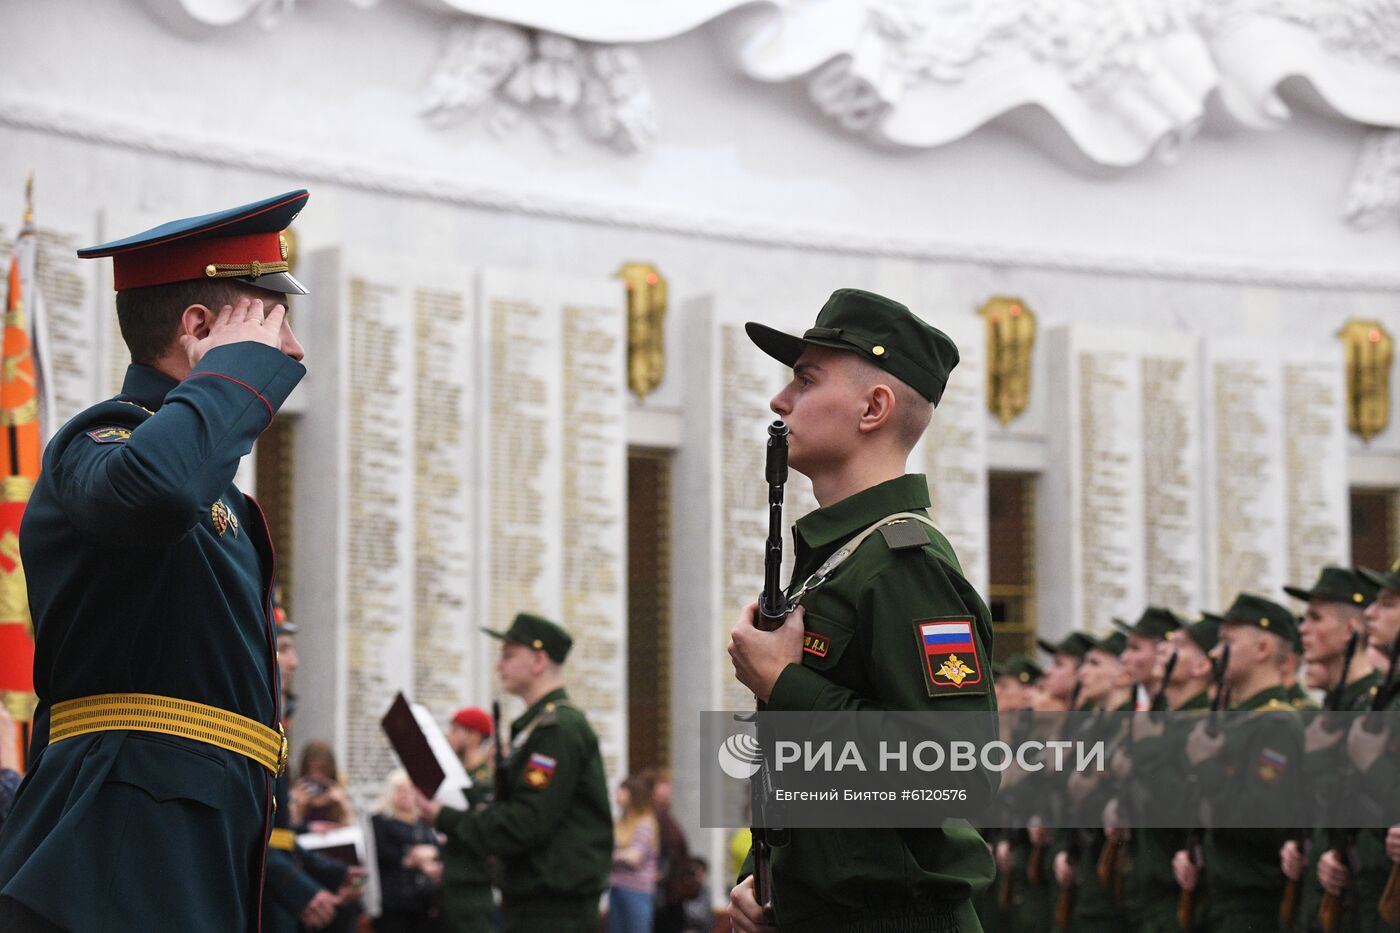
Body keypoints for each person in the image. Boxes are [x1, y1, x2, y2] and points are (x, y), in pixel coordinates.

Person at [0, 190, 310, 932]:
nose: (293, 350)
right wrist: (231, 373)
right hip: (115, 856)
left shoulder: (213, 490)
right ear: (199, 330)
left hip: (190, 846)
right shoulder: (99, 445)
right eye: (274, 324)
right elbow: (155, 490)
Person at [725, 288, 998, 932]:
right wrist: (780, 887)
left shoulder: (906, 564)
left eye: (805, 380)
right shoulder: (842, 561)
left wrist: (785, 683)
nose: (780, 401)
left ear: (873, 408)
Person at [420, 613, 612, 933]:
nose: (499, 666)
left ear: (538, 661)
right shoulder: (540, 727)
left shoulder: (557, 729)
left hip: (554, 910)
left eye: (509, 655)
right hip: (537, 902)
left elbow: (526, 821)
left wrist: (446, 818)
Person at [1173, 593, 1304, 933]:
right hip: (1217, 900)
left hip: (1252, 907)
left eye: (1228, 642)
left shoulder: (1276, 726)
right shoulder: (1237, 721)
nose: (1216, 653)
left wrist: (1206, 766)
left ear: (1263, 649)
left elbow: (1261, 819)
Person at [1281, 566, 1380, 932]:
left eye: (1315, 618)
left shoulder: (1376, 709)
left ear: (1351, 630)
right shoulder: (1332, 710)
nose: (1302, 629)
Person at [263, 600, 365, 933]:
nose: (294, 662)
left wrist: (335, 873)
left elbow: (280, 838)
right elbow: (252, 837)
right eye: (284, 649)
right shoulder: (254, 729)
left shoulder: (274, 728)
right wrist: (301, 891)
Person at [440, 707, 496, 933]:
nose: (450, 735)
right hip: (454, 880)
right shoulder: (461, 777)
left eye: (456, 730)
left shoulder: (484, 781)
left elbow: (480, 831)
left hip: (472, 885)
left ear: (474, 736)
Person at [373, 771, 447, 933]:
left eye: (409, 790)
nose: (405, 795)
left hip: (425, 899)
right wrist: (419, 859)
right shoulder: (380, 821)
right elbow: (385, 853)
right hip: (394, 899)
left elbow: (439, 848)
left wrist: (431, 853)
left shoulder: (425, 821)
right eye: (400, 790)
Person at [647, 767, 696, 933]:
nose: (668, 789)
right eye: (663, 784)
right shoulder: (653, 818)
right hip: (662, 893)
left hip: (673, 892)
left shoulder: (666, 817)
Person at [608, 773, 659, 933]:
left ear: (633, 795)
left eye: (622, 790)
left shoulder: (645, 823)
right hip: (616, 886)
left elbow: (635, 857)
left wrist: (611, 856)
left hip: (637, 890)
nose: (617, 794)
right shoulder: (619, 822)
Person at [293, 740, 358, 832]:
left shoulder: (338, 791)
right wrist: (299, 806)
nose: (317, 777)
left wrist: (342, 804)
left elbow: (351, 828)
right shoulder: (298, 791)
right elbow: (290, 827)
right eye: (312, 770)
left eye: (322, 770)